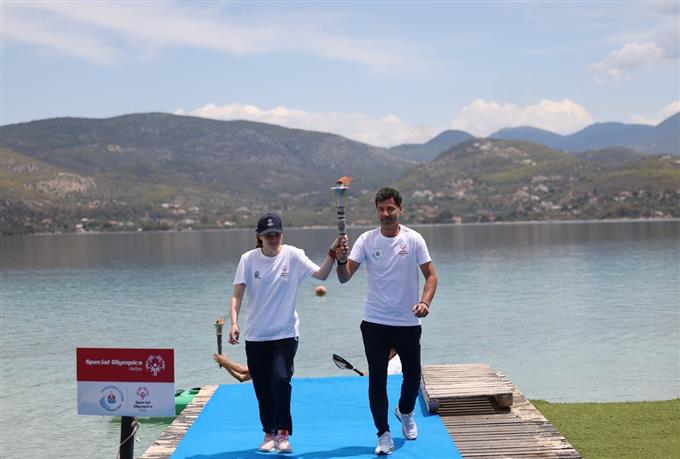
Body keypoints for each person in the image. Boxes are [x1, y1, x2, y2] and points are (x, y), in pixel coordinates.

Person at [336, 187, 437, 455]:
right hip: (374, 322)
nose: (385, 214)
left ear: (400, 209)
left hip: (407, 322)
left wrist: (425, 302)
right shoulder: (366, 240)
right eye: (381, 209)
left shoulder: (413, 239)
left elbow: (431, 276)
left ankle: (405, 411)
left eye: (390, 208)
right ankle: (383, 434)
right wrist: (341, 260)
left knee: (412, 377)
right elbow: (344, 278)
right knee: (377, 381)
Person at [229, 212, 339, 454]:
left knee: (280, 380)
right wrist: (234, 323)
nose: (273, 238)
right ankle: (268, 433)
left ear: (282, 234)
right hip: (256, 336)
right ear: (259, 236)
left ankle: (283, 433)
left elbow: (322, 274)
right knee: (262, 386)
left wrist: (331, 254)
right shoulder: (248, 260)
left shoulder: (294, 255)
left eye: (277, 234)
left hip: (285, 334)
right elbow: (237, 295)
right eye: (268, 235)